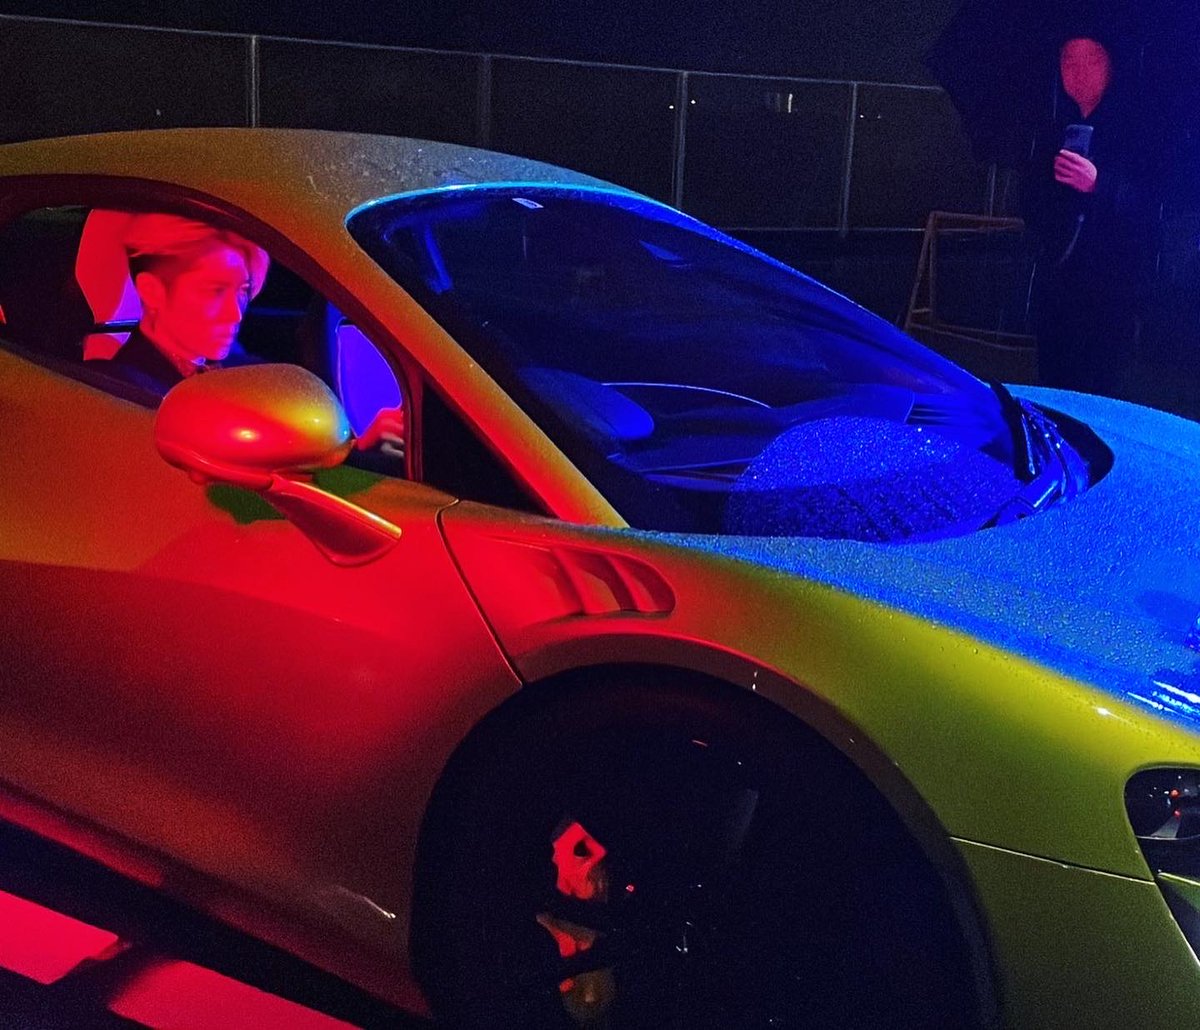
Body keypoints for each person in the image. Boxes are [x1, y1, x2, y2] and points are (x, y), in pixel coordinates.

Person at [102, 210, 404, 456]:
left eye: (242, 291)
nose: (235, 313)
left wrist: (360, 449)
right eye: (214, 291)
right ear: (152, 291)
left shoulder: (244, 370)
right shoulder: (118, 392)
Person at [1022, 35, 1160, 400]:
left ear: (1111, 65)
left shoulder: (1138, 129)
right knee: (1052, 389)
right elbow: (1030, 206)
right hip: (1057, 284)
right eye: (1068, 61)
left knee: (1098, 393)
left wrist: (1100, 184)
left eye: (1092, 60)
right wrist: (1045, 184)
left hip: (1109, 290)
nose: (1078, 71)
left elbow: (1154, 207)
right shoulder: (1051, 128)